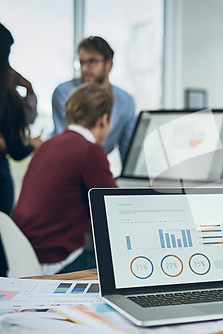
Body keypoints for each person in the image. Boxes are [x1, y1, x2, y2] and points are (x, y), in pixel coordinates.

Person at [12, 83, 117, 275]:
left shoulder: (48, 145)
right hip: (55, 263)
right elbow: (116, 211)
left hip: (23, 257)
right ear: (103, 120)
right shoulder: (90, 151)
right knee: (122, 268)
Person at [51, 36, 136, 163]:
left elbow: (128, 151)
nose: (85, 69)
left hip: (97, 162)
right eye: (82, 62)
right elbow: (69, 141)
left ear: (109, 64)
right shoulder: (65, 93)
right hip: (64, 161)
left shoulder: (126, 101)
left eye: (92, 62)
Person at [0, 23, 41, 216]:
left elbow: (28, 119)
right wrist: (32, 144)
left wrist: (29, 88)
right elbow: (15, 149)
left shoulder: (8, 95)